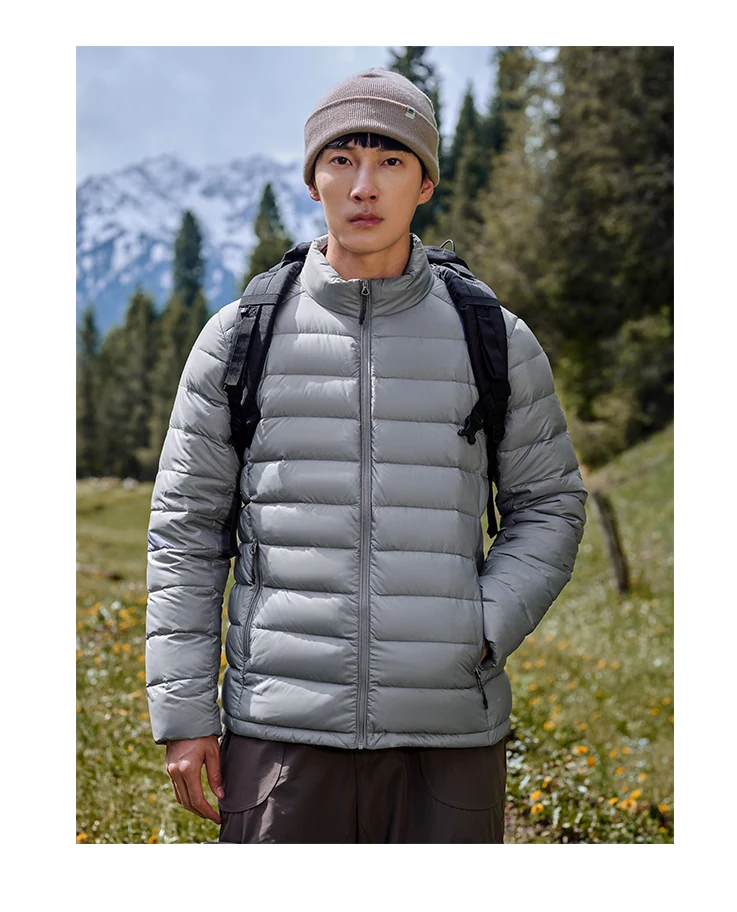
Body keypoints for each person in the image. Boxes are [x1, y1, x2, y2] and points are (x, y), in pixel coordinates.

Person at [145, 67, 588, 844]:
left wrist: (479, 629)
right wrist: (184, 715)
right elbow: (186, 531)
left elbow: (550, 503)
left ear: (425, 184)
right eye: (342, 159)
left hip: (448, 738)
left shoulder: (495, 338)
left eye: (391, 161)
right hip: (279, 736)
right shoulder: (237, 338)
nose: (363, 186)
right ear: (312, 177)